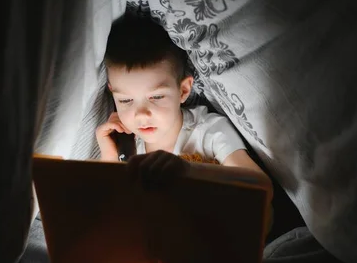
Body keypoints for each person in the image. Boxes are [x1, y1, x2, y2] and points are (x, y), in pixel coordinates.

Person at [96, 11, 271, 189]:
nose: (141, 115)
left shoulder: (208, 131)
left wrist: (188, 171)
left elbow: (261, 185)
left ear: (183, 90)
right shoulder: (127, 148)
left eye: (156, 97)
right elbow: (109, 203)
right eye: (126, 100)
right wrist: (109, 157)